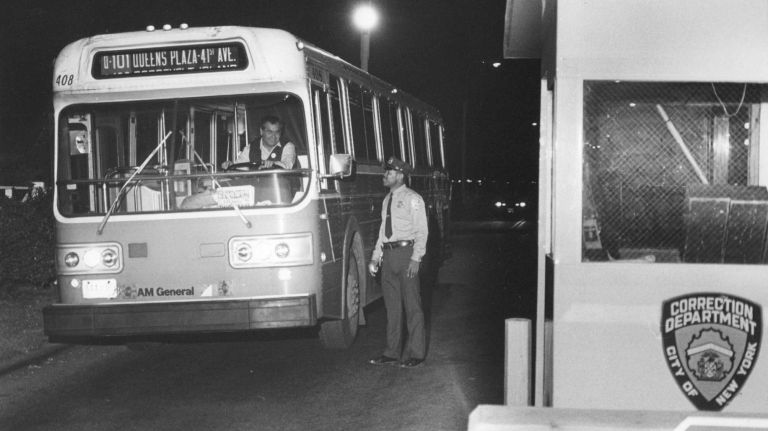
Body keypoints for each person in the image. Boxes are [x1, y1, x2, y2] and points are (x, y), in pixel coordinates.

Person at [368, 157, 429, 368]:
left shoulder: (413, 199)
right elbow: (382, 233)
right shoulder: (387, 199)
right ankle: (392, 352)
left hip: (406, 255)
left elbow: (422, 231)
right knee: (392, 308)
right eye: (385, 172)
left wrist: (416, 258)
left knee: (412, 306)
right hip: (389, 256)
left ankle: (417, 353)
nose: (385, 176)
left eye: (389, 173)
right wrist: (375, 257)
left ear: (400, 176)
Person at [223, 115, 296, 169]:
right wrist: (230, 166)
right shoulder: (250, 148)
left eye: (277, 132)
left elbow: (287, 165)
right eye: (269, 132)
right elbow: (240, 167)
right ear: (261, 131)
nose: (273, 136)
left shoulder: (288, 146)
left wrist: (273, 164)